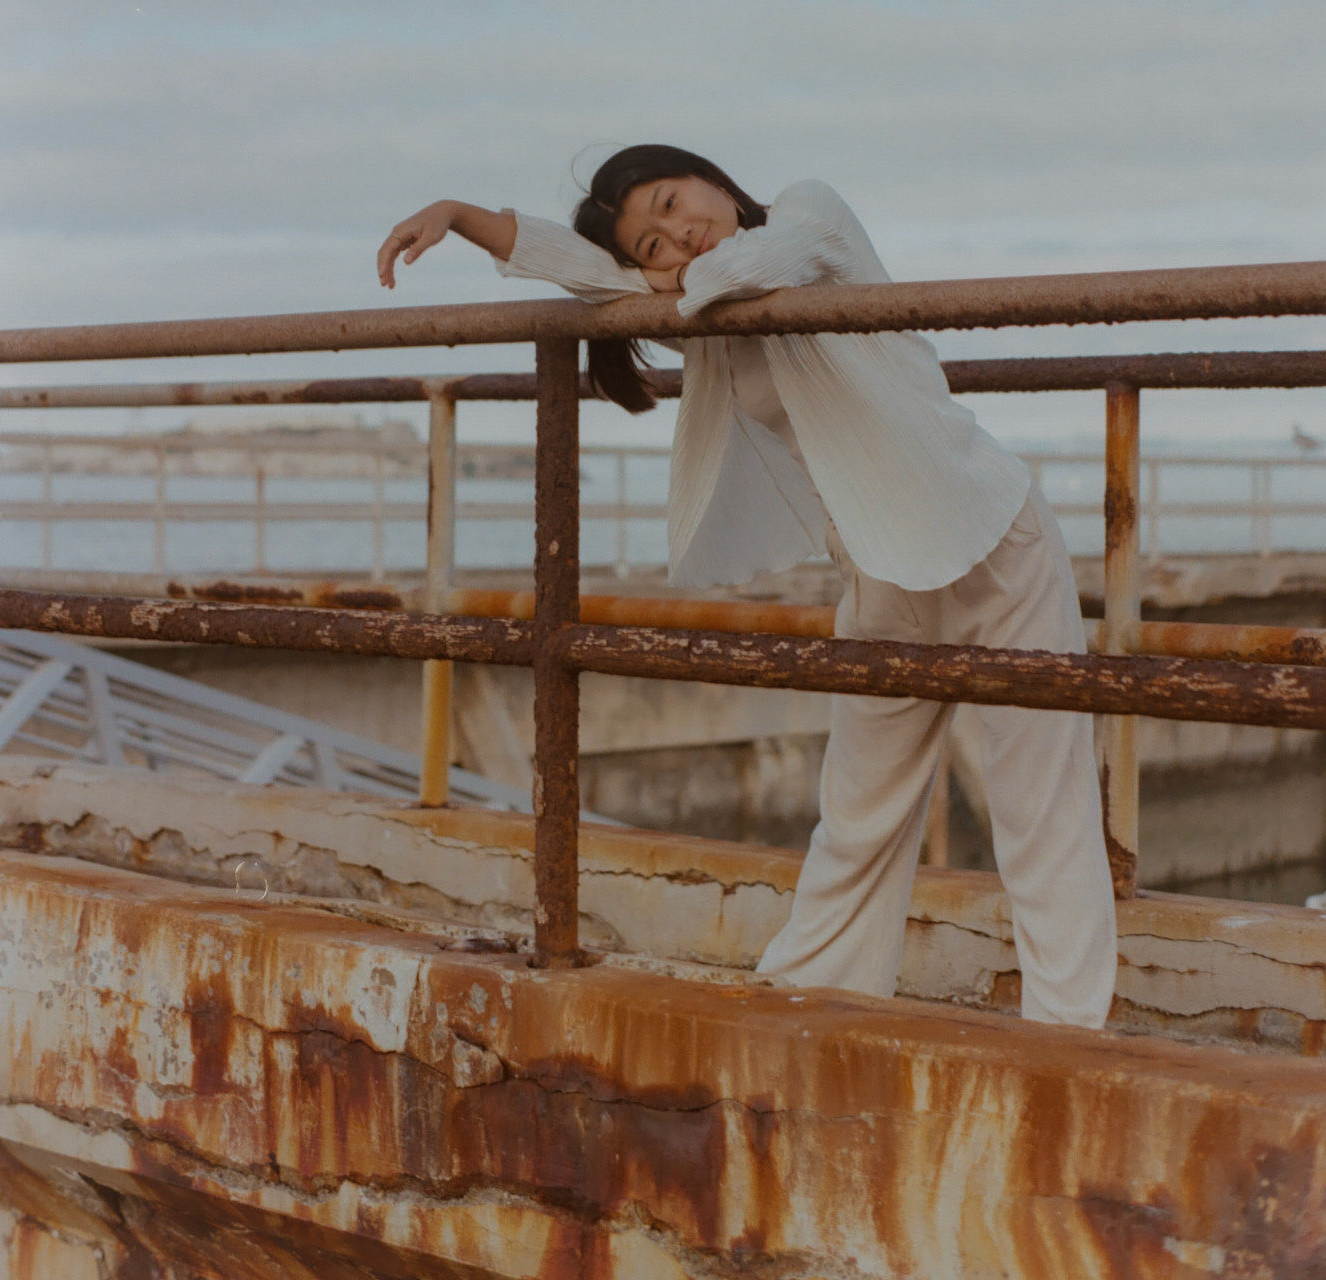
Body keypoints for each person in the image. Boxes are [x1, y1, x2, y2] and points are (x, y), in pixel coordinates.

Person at [376, 145, 1117, 1029]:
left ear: (709, 178)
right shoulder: (701, 302)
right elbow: (591, 272)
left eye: (671, 202)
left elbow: (748, 265)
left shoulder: (809, 216)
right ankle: (816, 998)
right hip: (881, 571)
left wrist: (660, 278)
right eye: (650, 245)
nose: (679, 237)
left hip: (989, 539)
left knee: (1039, 807)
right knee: (858, 812)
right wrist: (459, 214)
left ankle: (1068, 1027)